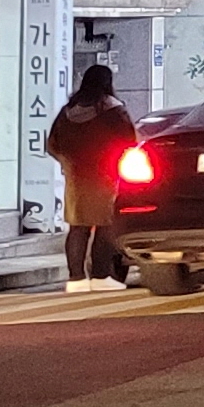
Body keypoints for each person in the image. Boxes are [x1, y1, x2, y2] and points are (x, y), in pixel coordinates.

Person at [43, 65, 141, 290]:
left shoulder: (68, 111)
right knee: (106, 225)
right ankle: (100, 276)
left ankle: (76, 279)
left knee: (78, 227)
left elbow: (52, 144)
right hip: (105, 175)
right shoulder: (113, 109)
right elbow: (129, 141)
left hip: (76, 177)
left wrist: (68, 163)